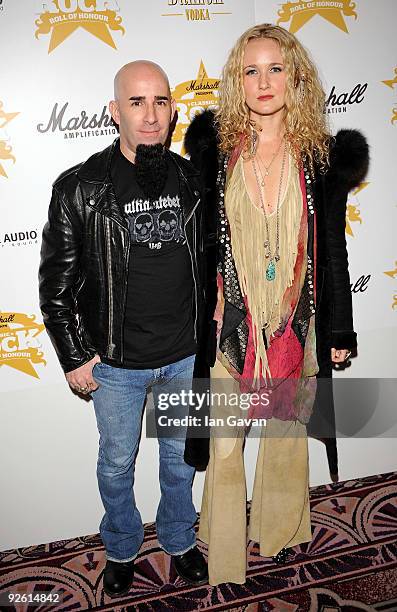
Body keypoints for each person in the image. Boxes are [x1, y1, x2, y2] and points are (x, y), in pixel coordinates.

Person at [184, 24, 369, 585]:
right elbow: (199, 247)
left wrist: (340, 332)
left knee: (286, 436)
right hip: (231, 322)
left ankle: (283, 530)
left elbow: (331, 249)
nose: (264, 82)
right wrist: (205, 304)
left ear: (296, 76)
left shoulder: (320, 158)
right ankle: (221, 545)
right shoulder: (214, 154)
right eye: (251, 70)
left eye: (276, 68)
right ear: (237, 81)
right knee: (224, 442)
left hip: (296, 321)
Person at [39, 60, 208, 598]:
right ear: (115, 112)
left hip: (185, 355)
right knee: (116, 464)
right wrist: (74, 355)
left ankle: (180, 540)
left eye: (160, 101)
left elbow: (214, 263)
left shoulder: (194, 180)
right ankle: (122, 546)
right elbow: (55, 285)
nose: (150, 115)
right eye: (136, 103)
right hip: (114, 363)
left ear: (173, 109)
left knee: (180, 460)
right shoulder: (80, 187)